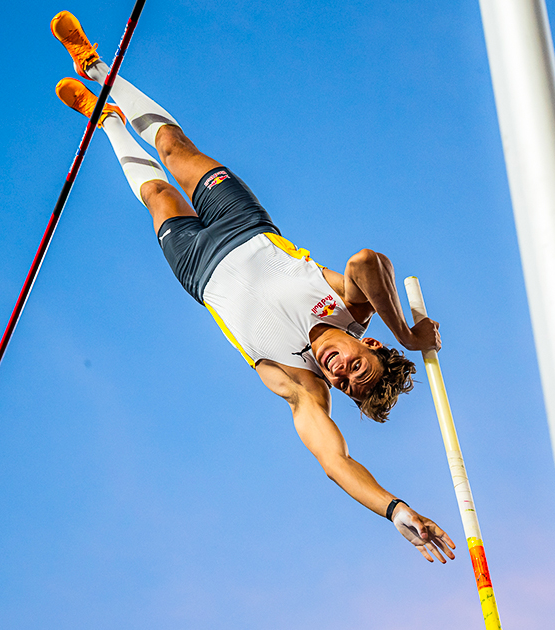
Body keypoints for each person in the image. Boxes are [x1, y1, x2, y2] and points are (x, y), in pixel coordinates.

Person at [50, 10, 456, 564]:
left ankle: (107, 123)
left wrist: (396, 510)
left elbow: (336, 461)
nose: (341, 372)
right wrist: (407, 334)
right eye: (359, 366)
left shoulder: (302, 387)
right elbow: (368, 260)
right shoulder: (351, 307)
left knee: (159, 198)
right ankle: (99, 68)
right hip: (244, 223)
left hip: (198, 269)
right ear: (371, 344)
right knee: (174, 149)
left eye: (348, 385)